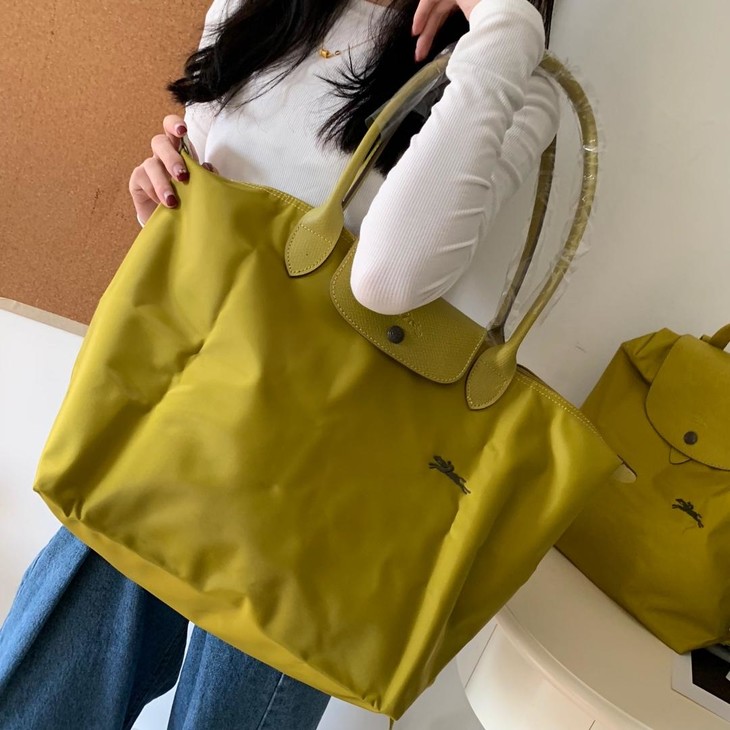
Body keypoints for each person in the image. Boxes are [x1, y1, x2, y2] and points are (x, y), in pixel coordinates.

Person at [0, 0, 559, 727]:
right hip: (181, 409)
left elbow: (389, 280)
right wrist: (166, 203)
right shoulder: (257, 9)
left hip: (318, 476)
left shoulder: (509, 69)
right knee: (38, 700)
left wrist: (506, 21)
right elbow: (206, 224)